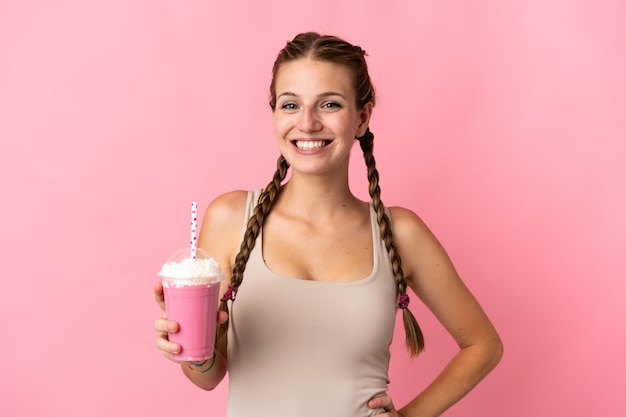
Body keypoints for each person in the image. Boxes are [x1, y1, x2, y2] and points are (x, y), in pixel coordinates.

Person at [154, 32, 503, 417]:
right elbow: (209, 375)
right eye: (290, 104)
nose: (307, 123)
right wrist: (190, 345)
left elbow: (483, 344)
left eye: (330, 104)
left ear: (362, 117)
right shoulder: (230, 218)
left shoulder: (401, 233)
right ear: (274, 113)